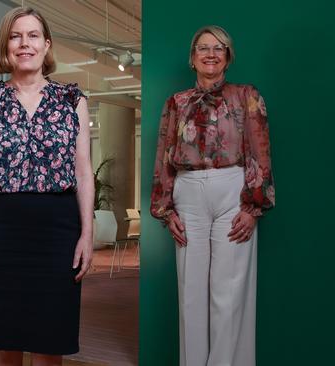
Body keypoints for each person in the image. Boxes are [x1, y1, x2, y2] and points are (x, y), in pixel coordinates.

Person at [0, 7, 94, 366]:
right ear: (5, 46)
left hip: (58, 231)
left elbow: (83, 171)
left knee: (50, 341)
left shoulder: (72, 101)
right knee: (4, 341)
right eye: (16, 36)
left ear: (47, 46)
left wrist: (88, 233)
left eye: (33, 35)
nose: (24, 44)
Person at [150, 25, 275, 366]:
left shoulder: (247, 96)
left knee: (228, 293)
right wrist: (165, 210)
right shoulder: (176, 102)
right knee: (190, 295)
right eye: (203, 48)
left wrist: (253, 207)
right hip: (188, 195)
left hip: (233, 192)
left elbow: (260, 153)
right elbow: (164, 154)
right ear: (192, 58)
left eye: (218, 48)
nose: (210, 53)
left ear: (228, 57)